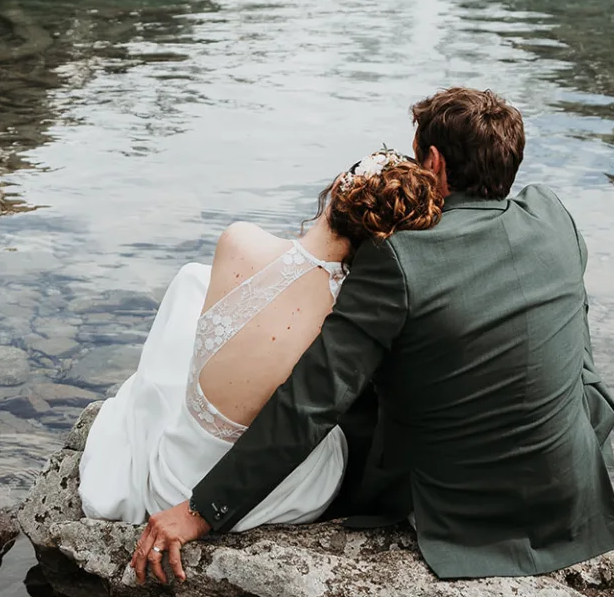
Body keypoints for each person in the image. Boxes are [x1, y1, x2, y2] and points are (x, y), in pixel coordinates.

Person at [132, 87, 614, 585]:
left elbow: (312, 400)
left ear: (433, 163)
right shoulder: (554, 217)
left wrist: (201, 509)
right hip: (570, 487)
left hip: (462, 514)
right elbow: (576, 346)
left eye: (416, 155)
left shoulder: (399, 257)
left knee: (352, 402)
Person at [79, 149, 443, 566]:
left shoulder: (238, 239)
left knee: (192, 280)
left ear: (339, 188)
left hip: (171, 479)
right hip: (277, 500)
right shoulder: (354, 314)